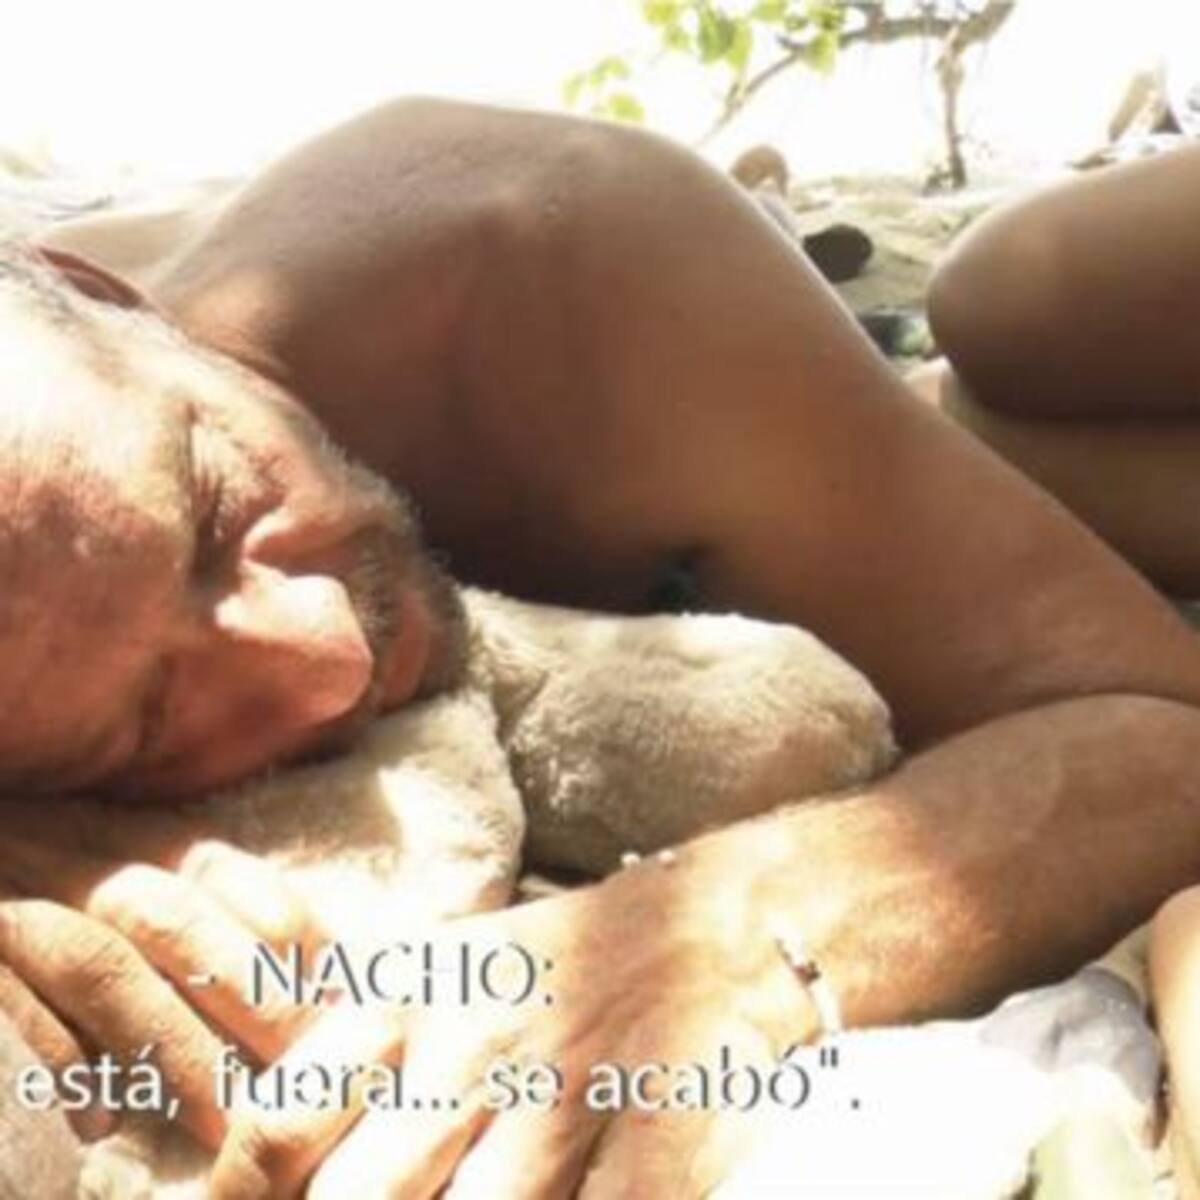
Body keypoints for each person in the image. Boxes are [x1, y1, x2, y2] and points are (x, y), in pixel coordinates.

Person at [4, 97, 1200, 1196]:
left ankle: (911, 402)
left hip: (708, 344)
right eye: (145, 722)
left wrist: (709, 943)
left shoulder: (549, 266)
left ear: (112, 302)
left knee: (1007, 302)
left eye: (218, 510)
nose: (330, 659)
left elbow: (1163, 727)